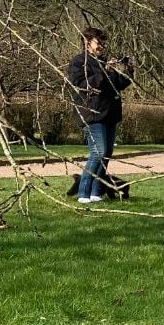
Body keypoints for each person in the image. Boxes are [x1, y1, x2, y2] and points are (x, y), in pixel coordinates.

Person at [66, 27, 134, 203]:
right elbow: (83, 85)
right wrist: (103, 71)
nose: (102, 46)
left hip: (110, 114)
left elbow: (118, 85)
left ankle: (96, 192)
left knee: (106, 154)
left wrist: (128, 70)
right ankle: (83, 193)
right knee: (98, 152)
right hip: (92, 114)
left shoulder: (103, 62)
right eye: (99, 42)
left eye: (104, 43)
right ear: (87, 42)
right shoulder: (79, 62)